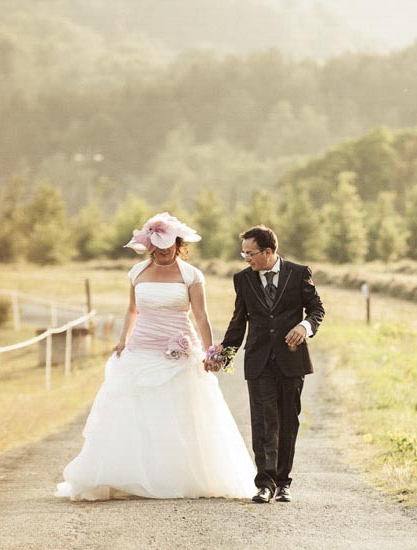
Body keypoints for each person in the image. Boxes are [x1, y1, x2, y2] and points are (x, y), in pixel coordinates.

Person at [55, 212, 256, 500]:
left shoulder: (191, 275)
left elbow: (201, 316)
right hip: (142, 348)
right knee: (136, 412)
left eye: (168, 251)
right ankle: (131, 476)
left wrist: (210, 350)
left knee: (180, 413)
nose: (163, 256)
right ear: (149, 248)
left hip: (179, 349)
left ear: (178, 247)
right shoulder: (137, 273)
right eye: (157, 252)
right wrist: (122, 340)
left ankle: (178, 477)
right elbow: (132, 310)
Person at [209, 225, 324, 504]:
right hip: (258, 360)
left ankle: (284, 483)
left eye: (250, 253)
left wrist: (304, 326)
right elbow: (239, 321)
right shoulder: (243, 279)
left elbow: (317, 309)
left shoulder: (298, 273)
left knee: (287, 422)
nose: (246, 258)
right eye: (244, 253)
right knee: (262, 423)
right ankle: (265, 484)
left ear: (269, 251)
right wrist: (224, 354)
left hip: (292, 360)